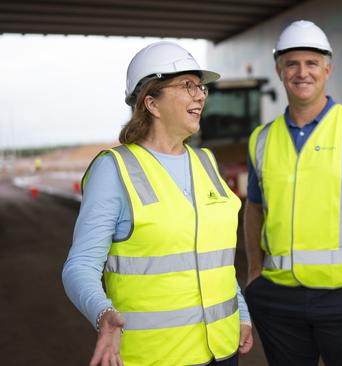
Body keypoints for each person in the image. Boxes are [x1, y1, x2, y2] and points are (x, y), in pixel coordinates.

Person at [62, 41, 253, 366]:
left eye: (201, 87)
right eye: (188, 86)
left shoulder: (207, 162)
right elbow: (80, 266)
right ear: (151, 102)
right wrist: (102, 312)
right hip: (155, 357)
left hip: (222, 350)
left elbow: (216, 258)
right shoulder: (114, 169)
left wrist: (243, 313)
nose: (201, 95)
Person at [243, 20, 342, 366]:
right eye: (292, 64)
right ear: (279, 70)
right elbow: (254, 209)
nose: (302, 72)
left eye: (311, 63)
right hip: (278, 297)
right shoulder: (261, 138)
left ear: (327, 69)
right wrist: (255, 274)